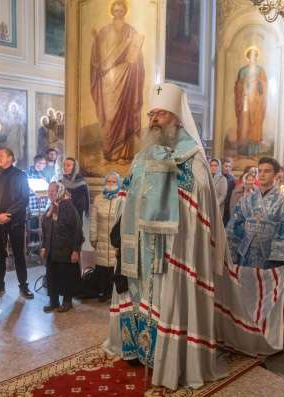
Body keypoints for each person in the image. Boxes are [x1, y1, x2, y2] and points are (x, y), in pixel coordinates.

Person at [104, 83, 228, 390]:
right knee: (137, 297)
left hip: (172, 248)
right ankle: (138, 350)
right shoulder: (143, 155)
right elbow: (127, 188)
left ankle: (167, 359)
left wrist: (167, 181)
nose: (154, 119)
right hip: (139, 244)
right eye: (152, 113)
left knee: (163, 301)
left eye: (160, 113)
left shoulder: (192, 156)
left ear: (175, 117)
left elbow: (198, 201)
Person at [90, 0, 145, 163]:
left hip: (127, 76)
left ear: (125, 11)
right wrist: (95, 40)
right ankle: (108, 153)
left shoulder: (131, 31)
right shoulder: (104, 31)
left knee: (125, 113)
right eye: (116, 9)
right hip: (108, 79)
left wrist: (134, 61)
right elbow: (97, 57)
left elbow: (137, 56)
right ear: (112, 11)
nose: (118, 12)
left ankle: (123, 154)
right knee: (109, 116)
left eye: (121, 10)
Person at [228, 157, 284, 269]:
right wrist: (231, 253)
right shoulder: (245, 201)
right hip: (246, 257)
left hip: (271, 260)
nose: (262, 174)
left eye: (267, 171)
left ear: (276, 175)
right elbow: (234, 226)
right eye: (260, 171)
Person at [0, 148, 34, 299]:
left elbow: (24, 198)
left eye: (1, 155)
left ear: (10, 158)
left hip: (15, 221)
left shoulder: (20, 175)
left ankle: (23, 285)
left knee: (19, 253)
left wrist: (8, 214)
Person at [41, 182, 84, 312]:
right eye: (49, 191)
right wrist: (44, 247)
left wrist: (76, 250)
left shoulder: (68, 206)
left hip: (66, 250)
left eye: (53, 191)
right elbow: (45, 229)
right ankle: (53, 301)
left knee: (66, 277)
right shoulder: (50, 207)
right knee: (52, 277)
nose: (50, 193)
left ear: (60, 191)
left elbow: (77, 230)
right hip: (51, 250)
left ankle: (67, 301)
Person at [90, 172, 122, 302]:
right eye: (108, 181)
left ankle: (114, 294)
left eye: (114, 182)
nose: (111, 184)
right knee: (102, 268)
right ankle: (104, 292)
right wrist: (93, 237)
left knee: (114, 268)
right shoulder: (98, 199)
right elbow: (93, 220)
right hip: (101, 238)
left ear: (118, 183)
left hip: (115, 240)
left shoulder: (122, 198)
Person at [221, 157, 235, 226]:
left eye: (229, 166)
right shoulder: (217, 177)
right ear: (222, 166)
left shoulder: (232, 180)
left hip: (227, 208)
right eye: (226, 166)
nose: (227, 168)